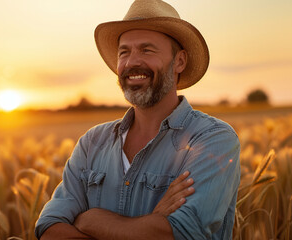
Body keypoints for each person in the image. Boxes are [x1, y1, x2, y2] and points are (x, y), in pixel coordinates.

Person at [35, 0, 240, 239]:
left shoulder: (211, 139)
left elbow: (180, 234)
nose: (132, 62)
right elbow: (50, 228)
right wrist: (150, 223)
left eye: (147, 50)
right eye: (124, 52)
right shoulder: (92, 143)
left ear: (180, 61)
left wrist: (90, 220)